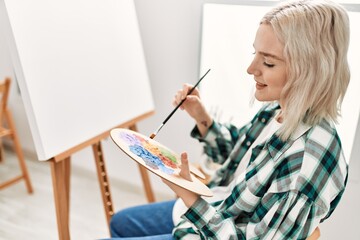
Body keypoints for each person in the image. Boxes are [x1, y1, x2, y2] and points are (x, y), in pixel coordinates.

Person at [108, 0, 350, 239]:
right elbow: (240, 157)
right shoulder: (276, 110)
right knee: (120, 223)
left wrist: (187, 194)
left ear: (309, 70)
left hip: (215, 228)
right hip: (218, 206)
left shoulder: (307, 162)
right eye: (255, 53)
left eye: (268, 62)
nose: (250, 68)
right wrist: (202, 119)